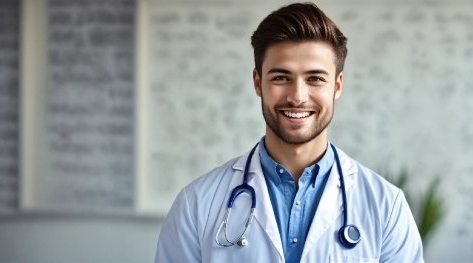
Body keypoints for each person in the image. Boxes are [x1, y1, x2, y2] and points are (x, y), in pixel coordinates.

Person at [155, 3, 424, 263]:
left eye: (315, 78)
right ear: (258, 83)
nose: (297, 97)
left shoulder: (387, 206)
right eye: (281, 77)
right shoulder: (197, 204)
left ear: (337, 86)